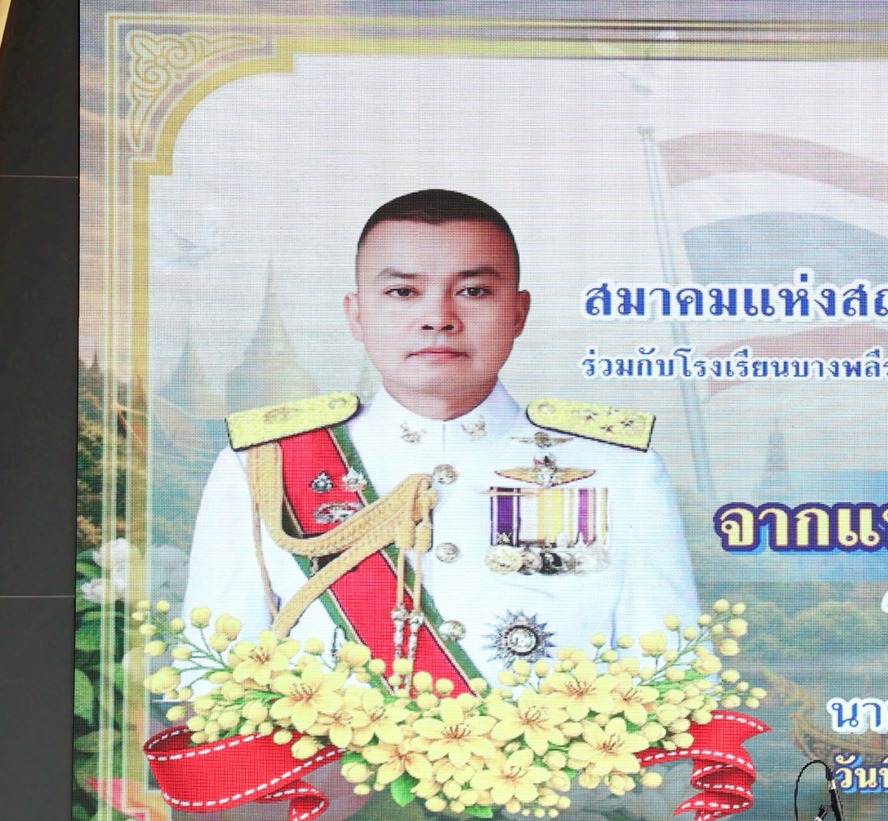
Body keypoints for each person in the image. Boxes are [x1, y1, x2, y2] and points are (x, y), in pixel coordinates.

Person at [181, 189, 700, 678]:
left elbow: (673, 682)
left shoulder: (621, 469)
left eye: (473, 291)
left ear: (518, 312)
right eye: (402, 292)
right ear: (356, 315)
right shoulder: (264, 465)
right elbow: (214, 681)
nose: (438, 318)